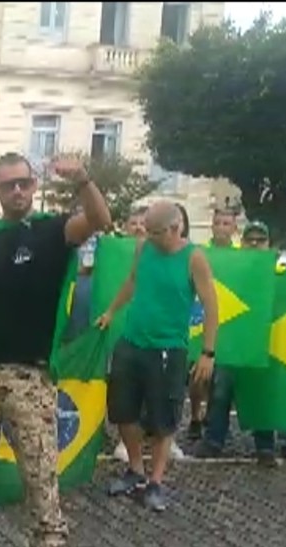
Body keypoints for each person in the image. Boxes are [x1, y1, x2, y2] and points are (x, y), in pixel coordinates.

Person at [0, 152, 111, 547]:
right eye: (8, 185)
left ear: (34, 184)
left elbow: (100, 220)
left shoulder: (53, 231)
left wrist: (83, 181)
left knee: (39, 473)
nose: (17, 190)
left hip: (30, 377)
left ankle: (49, 544)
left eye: (24, 182)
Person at [98, 201, 217, 512]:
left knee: (163, 419)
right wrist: (111, 311)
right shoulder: (143, 247)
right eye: (147, 232)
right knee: (122, 410)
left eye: (156, 233)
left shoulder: (194, 258)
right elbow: (133, 282)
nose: (150, 237)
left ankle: (156, 481)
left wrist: (208, 352)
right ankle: (135, 470)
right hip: (132, 341)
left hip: (168, 348)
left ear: (176, 229)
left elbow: (211, 305)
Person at [197, 220, 283, 465]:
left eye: (260, 240)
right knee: (221, 391)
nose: (255, 244)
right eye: (250, 240)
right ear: (242, 242)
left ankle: (265, 447)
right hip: (232, 344)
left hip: (263, 347)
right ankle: (213, 440)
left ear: (268, 244)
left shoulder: (277, 273)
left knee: (261, 394)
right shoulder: (233, 270)